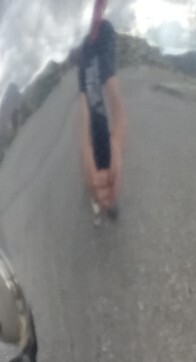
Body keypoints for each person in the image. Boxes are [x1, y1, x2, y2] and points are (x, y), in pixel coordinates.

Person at [77, 0, 125, 219]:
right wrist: (85, 152)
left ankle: (110, 201)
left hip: (103, 120)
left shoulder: (105, 32)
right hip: (94, 118)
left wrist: (116, 143)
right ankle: (95, 199)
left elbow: (115, 98)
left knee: (108, 160)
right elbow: (83, 100)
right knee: (92, 163)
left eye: (100, 4)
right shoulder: (80, 44)